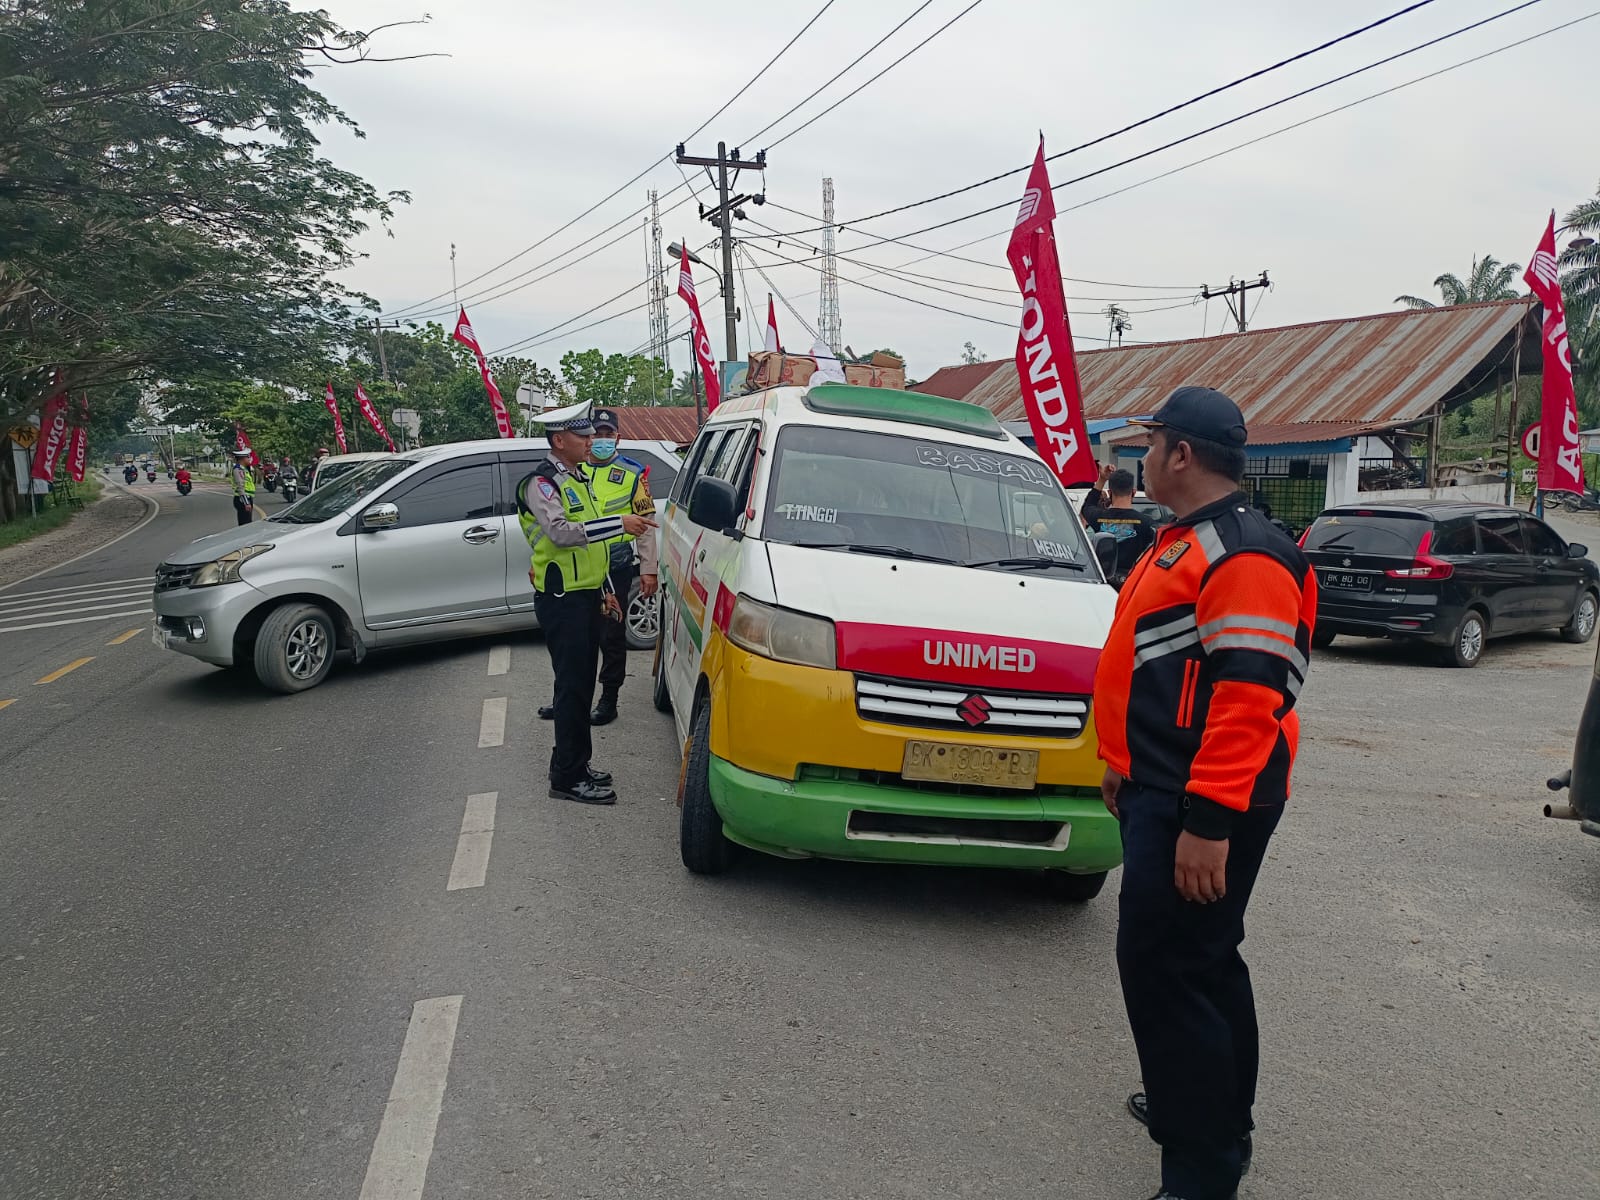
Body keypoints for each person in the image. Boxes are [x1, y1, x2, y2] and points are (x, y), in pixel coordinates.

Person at [1093, 386, 1318, 1200]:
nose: (1140, 458)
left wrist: (1209, 823)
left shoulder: (1246, 555)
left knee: (1166, 969)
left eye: (1149, 444)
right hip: (1162, 784)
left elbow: (1248, 692)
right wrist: (1121, 757)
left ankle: (1202, 1166)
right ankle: (1215, 1110)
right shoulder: (1181, 541)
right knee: (1203, 960)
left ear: (1181, 453)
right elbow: (1158, 669)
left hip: (1204, 800)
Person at [517, 401, 657, 806]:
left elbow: (588, 546)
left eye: (594, 436)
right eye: (583, 436)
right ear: (559, 440)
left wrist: (604, 591)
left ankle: (575, 763)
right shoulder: (542, 483)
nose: (591, 442)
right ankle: (566, 777)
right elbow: (561, 533)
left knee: (578, 685)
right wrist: (620, 524)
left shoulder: (577, 479)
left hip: (585, 594)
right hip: (562, 599)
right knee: (574, 689)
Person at [538, 407, 659, 726]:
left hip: (615, 567)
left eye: (607, 435)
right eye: (596, 434)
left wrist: (649, 568)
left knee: (611, 635)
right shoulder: (573, 471)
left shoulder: (633, 474)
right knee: (573, 639)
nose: (600, 440)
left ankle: (609, 698)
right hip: (576, 566)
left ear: (617, 437)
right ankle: (565, 697)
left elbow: (645, 523)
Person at [1082, 468, 1157, 585]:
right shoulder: (1146, 523)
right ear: (1134, 492)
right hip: (1132, 584)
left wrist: (1101, 479)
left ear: (1110, 492)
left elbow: (1087, 506)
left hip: (1103, 583)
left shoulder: (1098, 517)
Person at [228, 447, 256, 525]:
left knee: (248, 522)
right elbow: (240, 486)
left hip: (247, 498)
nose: (249, 459)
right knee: (245, 523)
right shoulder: (238, 469)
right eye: (248, 457)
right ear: (242, 459)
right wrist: (246, 502)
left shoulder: (245, 469)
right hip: (242, 499)